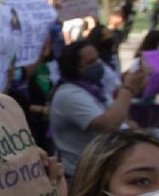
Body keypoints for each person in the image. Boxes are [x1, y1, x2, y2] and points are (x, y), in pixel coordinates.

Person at [49, 41, 147, 178]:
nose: (98, 65)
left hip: (102, 168)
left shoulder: (94, 87)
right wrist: (128, 89)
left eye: (98, 59)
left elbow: (116, 113)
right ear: (74, 68)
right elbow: (108, 125)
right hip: (81, 176)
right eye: (91, 62)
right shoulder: (69, 95)